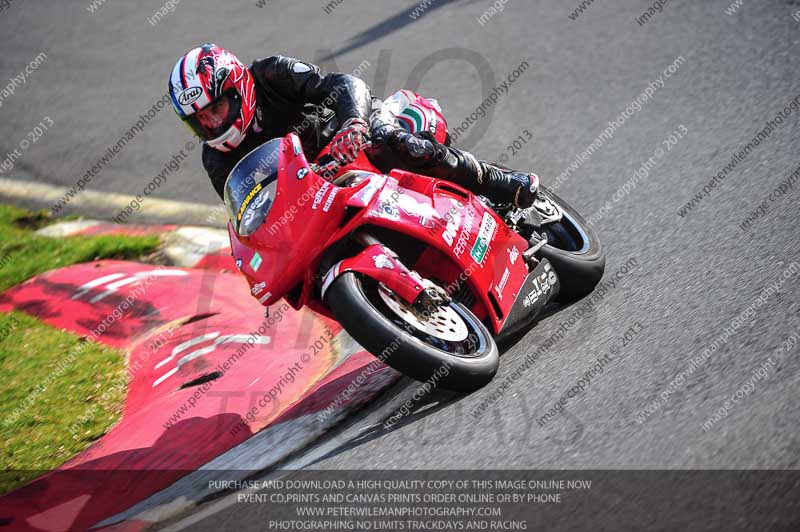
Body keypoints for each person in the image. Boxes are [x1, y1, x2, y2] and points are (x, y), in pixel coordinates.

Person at [168, 43, 538, 208]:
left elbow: (345, 84)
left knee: (400, 144)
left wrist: (354, 123)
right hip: (315, 194)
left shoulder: (270, 73)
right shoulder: (217, 161)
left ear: (238, 87)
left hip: (357, 133)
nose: (212, 122)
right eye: (199, 119)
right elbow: (248, 209)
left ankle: (499, 182)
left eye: (215, 107)